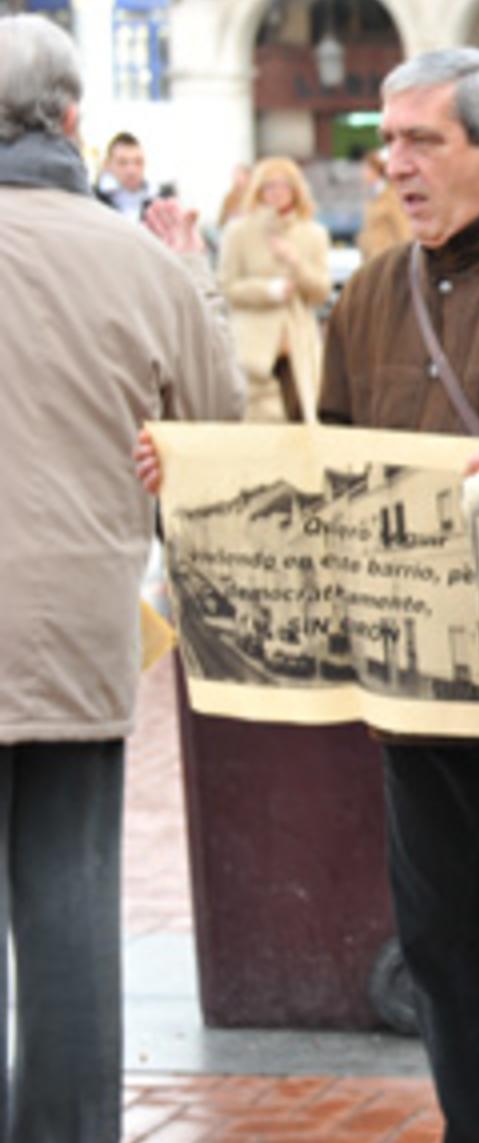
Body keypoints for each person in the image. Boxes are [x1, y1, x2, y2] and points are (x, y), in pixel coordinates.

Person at [139, 47, 479, 1143]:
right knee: (439, 945)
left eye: (421, 140)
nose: (395, 165)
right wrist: (199, 483)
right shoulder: (374, 294)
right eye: (389, 143)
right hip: (417, 688)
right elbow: (331, 466)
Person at [0, 14, 241, 1139]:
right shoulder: (138, 260)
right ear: (74, 121)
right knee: (68, 896)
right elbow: (218, 433)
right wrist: (194, 276)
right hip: (75, 623)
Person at [218, 157, 331, 423]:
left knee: (304, 420)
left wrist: (296, 263)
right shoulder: (239, 232)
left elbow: (321, 292)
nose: (276, 193)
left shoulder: (313, 233)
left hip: (299, 345)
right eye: (269, 186)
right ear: (258, 191)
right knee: (255, 428)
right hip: (253, 348)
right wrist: (268, 291)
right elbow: (226, 286)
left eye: (283, 186)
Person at [355, 148, 410, 261]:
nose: (363, 172)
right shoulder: (373, 196)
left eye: (366, 168)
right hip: (372, 261)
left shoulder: (391, 197)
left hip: (387, 261)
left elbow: (402, 229)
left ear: (376, 170)